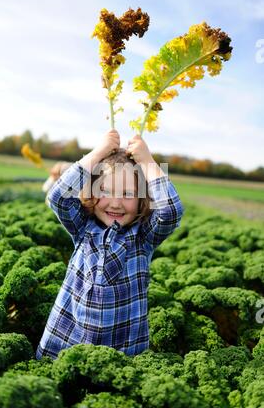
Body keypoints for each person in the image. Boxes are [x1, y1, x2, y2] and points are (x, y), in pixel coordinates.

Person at [36, 129, 184, 359]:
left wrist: (148, 161)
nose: (115, 203)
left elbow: (171, 211)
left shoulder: (143, 238)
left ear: (143, 199)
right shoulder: (83, 227)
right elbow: (58, 196)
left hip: (122, 347)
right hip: (66, 337)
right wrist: (98, 153)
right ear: (91, 190)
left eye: (127, 194)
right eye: (104, 190)